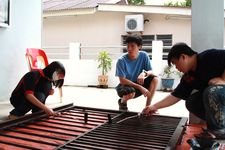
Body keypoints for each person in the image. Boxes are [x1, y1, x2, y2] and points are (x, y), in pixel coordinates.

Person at [142, 42, 225, 137]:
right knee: (192, 102)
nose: (177, 68)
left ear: (183, 57)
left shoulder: (209, 56)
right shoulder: (189, 76)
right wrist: (153, 107)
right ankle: (217, 126)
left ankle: (220, 132)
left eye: (175, 64)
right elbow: (175, 96)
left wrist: (223, 79)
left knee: (210, 91)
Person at [115, 35, 158, 111]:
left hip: (137, 82)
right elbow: (122, 80)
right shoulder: (121, 60)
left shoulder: (144, 55)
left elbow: (151, 71)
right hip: (125, 86)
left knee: (155, 79)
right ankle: (122, 102)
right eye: (128, 46)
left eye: (132, 46)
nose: (129, 48)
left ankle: (147, 108)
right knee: (130, 92)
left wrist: (144, 74)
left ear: (139, 47)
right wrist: (140, 87)